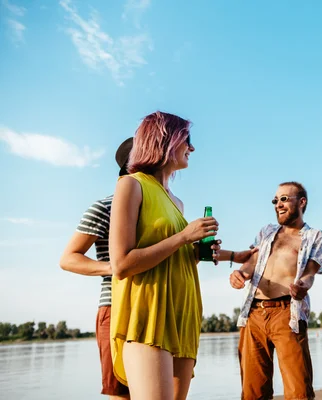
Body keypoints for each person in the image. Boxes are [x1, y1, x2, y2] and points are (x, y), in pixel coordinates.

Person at [109, 111, 220, 400]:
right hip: (149, 312)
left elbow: (168, 254)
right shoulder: (131, 185)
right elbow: (121, 264)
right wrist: (183, 236)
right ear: (165, 140)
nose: (192, 148)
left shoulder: (177, 202)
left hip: (183, 313)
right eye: (188, 139)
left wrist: (194, 250)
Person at [229, 181, 322, 400]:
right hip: (253, 314)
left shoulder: (315, 237)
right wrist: (240, 274)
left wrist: (302, 285)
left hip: (287, 313)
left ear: (301, 202)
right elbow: (252, 262)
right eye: (275, 200)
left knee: (298, 391)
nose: (278, 204)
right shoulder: (266, 232)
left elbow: (310, 273)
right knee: (253, 392)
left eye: (284, 199)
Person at [59, 138, 133, 399]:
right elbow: (69, 258)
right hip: (116, 307)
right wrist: (117, 266)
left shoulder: (165, 209)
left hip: (157, 307)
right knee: (121, 393)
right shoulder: (104, 207)